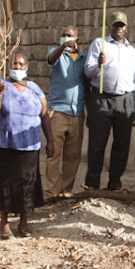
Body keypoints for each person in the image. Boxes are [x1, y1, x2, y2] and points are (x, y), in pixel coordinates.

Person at [0, 53, 54, 239]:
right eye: (14, 64)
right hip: (5, 143)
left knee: (27, 183)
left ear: (27, 67)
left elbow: (44, 115)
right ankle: (4, 224)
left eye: (21, 64)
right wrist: (0, 93)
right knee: (5, 183)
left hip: (29, 144)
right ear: (9, 66)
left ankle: (24, 223)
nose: (17, 67)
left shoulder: (34, 89)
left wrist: (51, 141)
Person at [83, 11, 135, 191]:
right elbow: (88, 71)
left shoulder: (132, 51)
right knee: (97, 143)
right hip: (102, 97)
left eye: (122, 25)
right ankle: (92, 183)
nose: (119, 28)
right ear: (110, 26)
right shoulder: (99, 44)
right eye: (116, 25)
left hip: (125, 100)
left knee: (122, 144)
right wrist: (98, 65)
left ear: (126, 28)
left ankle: (115, 182)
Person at [44, 25, 87, 199]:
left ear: (77, 39)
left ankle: (64, 190)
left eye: (70, 35)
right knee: (53, 154)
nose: (66, 37)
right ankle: (50, 193)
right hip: (58, 112)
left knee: (72, 156)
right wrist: (63, 47)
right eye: (63, 35)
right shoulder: (56, 53)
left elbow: (88, 85)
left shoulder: (84, 59)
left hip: (77, 113)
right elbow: (51, 59)